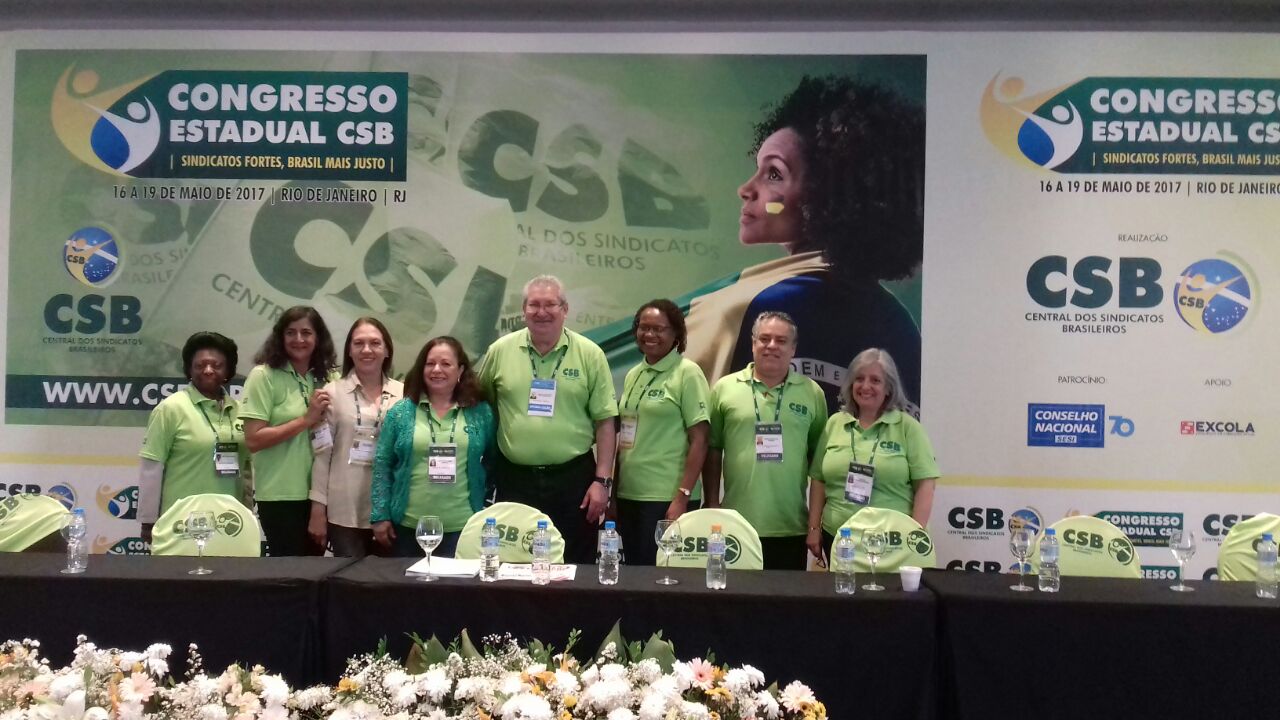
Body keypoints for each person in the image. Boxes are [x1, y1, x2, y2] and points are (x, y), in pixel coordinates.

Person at [682, 75, 925, 413]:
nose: (746, 189)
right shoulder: (902, 326)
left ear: (824, 195)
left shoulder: (745, 308)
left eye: (774, 174)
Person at [477, 275, 619, 564]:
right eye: (534, 305)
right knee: (513, 562)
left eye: (550, 304)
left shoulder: (590, 354)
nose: (542, 312)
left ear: (565, 309)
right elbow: (484, 408)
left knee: (575, 565)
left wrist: (602, 482)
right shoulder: (499, 351)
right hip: (514, 480)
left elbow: (605, 422)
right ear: (523, 310)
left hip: (573, 480)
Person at [704, 311, 826, 570]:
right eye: (765, 339)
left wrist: (815, 524)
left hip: (790, 525)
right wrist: (712, 503)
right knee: (736, 595)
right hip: (735, 523)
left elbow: (819, 461)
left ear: (793, 349)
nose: (772, 346)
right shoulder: (725, 388)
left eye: (781, 341)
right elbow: (713, 449)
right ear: (753, 344)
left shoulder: (812, 392)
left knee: (785, 596)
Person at [806, 348, 939, 564]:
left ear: (888, 388)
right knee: (844, 586)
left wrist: (914, 537)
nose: (865, 386)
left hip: (894, 542)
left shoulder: (908, 428)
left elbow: (925, 485)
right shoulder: (835, 423)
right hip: (841, 538)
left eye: (875, 380)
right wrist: (813, 528)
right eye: (859, 379)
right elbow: (818, 479)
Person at [371, 336, 495, 557]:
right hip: (409, 527)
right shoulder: (401, 412)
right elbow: (383, 464)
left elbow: (493, 460)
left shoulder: (480, 412)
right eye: (430, 364)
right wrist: (380, 515)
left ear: (460, 370)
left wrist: (483, 498)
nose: (437, 370)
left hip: (464, 527)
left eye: (446, 364)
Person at [614, 299, 711, 565]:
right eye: (644, 327)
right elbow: (625, 437)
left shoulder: (688, 373)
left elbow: (700, 440)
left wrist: (682, 497)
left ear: (676, 333)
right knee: (635, 576)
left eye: (659, 329)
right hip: (629, 494)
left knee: (661, 577)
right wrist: (613, 497)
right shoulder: (634, 374)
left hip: (666, 498)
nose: (649, 334)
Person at [240, 306, 337, 557]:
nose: (298, 339)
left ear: (318, 338)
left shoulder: (331, 378)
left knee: (317, 571)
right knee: (291, 570)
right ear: (280, 337)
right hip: (280, 496)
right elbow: (253, 440)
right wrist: (306, 419)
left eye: (306, 332)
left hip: (324, 494)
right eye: (291, 332)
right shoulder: (263, 376)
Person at [137, 331, 250, 543]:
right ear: (189, 369)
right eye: (200, 365)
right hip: (180, 525)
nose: (208, 370)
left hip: (229, 524)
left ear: (228, 370)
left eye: (216, 365)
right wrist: (148, 521)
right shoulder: (170, 409)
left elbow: (246, 471)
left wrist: (247, 515)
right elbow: (151, 468)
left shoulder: (240, 412)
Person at [308, 318, 403, 557]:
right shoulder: (331, 393)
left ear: (387, 350)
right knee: (348, 579)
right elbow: (322, 455)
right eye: (359, 343)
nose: (367, 350)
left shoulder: (404, 394)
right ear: (349, 351)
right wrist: (318, 510)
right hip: (344, 512)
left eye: (375, 343)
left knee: (388, 578)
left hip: (392, 509)